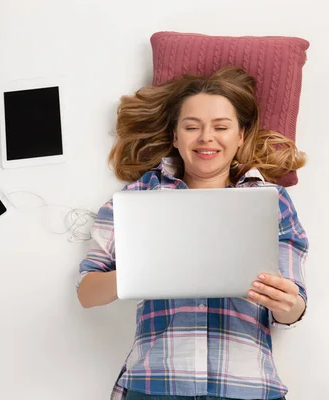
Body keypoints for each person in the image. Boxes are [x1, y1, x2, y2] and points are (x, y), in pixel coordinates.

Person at [77, 67, 309, 400]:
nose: (206, 138)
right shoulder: (139, 198)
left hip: (247, 388)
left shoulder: (272, 201)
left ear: (241, 136)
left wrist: (287, 302)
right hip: (156, 386)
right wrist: (142, 270)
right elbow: (86, 293)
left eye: (221, 127)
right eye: (191, 127)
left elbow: (293, 309)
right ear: (175, 136)